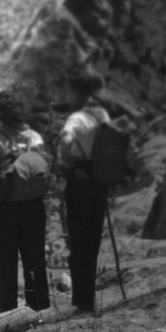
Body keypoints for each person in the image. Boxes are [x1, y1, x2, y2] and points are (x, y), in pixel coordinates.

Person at [0, 91, 51, 313]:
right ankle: (39, 307)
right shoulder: (35, 138)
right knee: (35, 258)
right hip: (34, 205)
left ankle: (8, 311)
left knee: (6, 261)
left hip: (6, 208)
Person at [56, 70, 112, 314]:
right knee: (93, 241)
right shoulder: (101, 114)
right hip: (100, 184)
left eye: (69, 91)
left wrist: (65, 157)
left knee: (79, 243)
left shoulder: (76, 119)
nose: (67, 96)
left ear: (78, 93)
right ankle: (89, 297)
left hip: (79, 185)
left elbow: (66, 141)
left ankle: (82, 301)